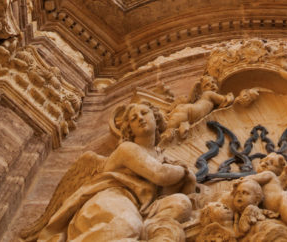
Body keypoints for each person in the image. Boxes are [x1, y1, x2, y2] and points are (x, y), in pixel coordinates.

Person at [38, 102, 195, 241]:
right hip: (113, 199)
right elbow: (160, 175)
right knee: (128, 224)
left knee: (180, 202)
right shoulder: (127, 149)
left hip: (142, 207)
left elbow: (186, 192)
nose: (140, 118)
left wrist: (186, 179)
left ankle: (149, 233)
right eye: (133, 119)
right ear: (130, 129)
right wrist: (185, 171)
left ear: (156, 118)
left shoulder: (160, 156)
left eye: (144, 113)